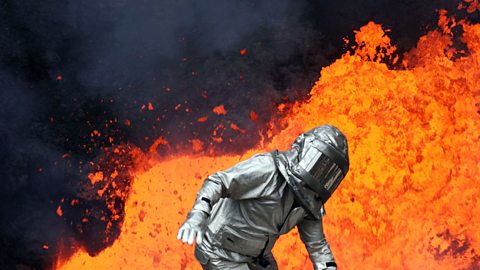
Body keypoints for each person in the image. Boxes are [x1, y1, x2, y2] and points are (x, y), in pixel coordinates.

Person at [177, 124, 349, 270]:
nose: (322, 174)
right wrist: (198, 214)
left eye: (330, 172)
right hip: (220, 251)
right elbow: (219, 182)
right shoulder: (268, 169)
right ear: (304, 150)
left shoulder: (311, 201)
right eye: (320, 162)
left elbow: (317, 245)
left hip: (257, 255)